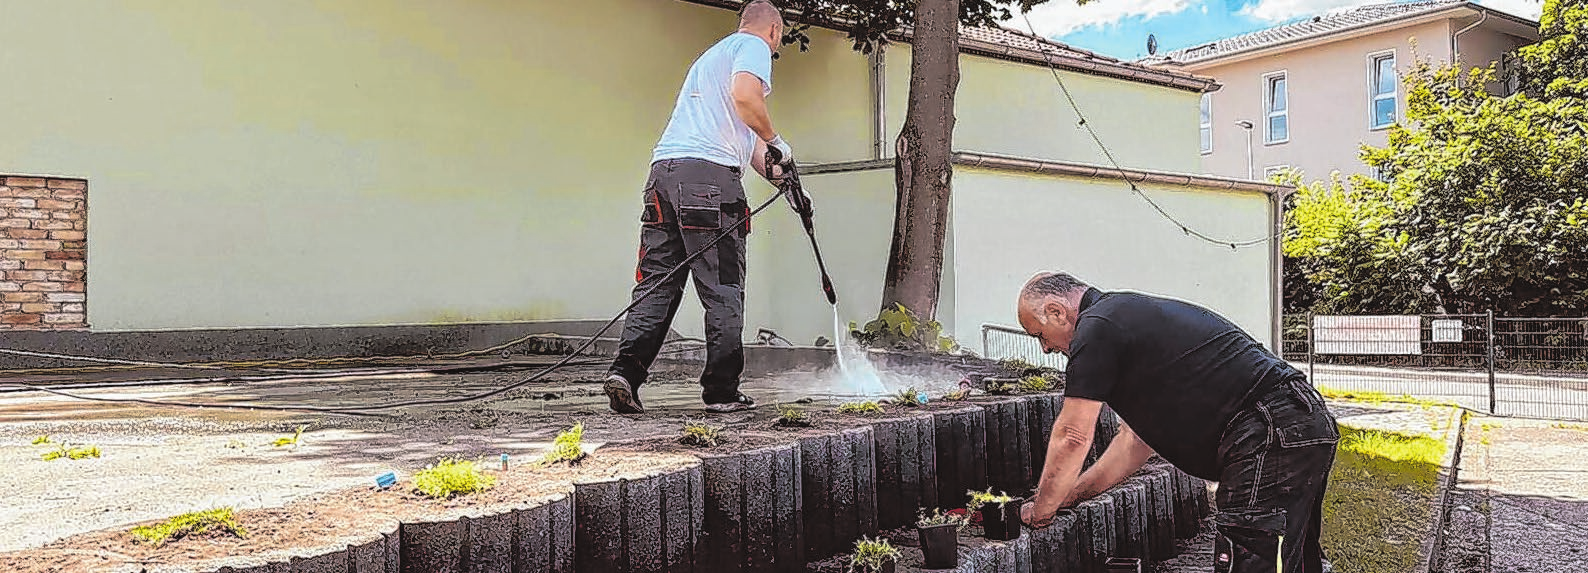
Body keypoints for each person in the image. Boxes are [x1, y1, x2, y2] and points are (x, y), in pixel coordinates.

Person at [1014, 272, 1338, 573]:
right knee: (1291, 560)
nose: (1045, 348)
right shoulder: (1121, 319)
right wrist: (1068, 497)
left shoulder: (1096, 327)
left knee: (1255, 558)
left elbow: (1072, 435)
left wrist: (1043, 507)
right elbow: (1133, 444)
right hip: (1299, 422)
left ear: (1056, 311)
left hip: (1267, 430)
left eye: (1040, 335)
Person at [603, 0, 807, 414]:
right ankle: (721, 390)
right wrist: (779, 138)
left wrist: (787, 183)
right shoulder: (752, 47)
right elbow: (748, 100)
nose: (775, 49)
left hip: (664, 174)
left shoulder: (711, 59)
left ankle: (625, 373)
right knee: (723, 287)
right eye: (779, 40)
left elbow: (748, 145)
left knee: (658, 281)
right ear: (773, 30)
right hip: (709, 183)